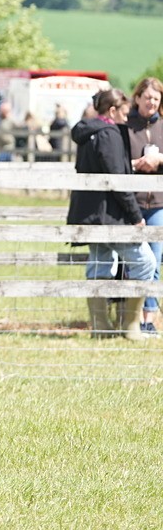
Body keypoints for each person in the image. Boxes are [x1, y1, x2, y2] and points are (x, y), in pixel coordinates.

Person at [66, 88, 156, 341]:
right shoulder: (109, 134)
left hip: (92, 212)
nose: (127, 119)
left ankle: (102, 326)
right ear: (113, 110)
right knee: (145, 262)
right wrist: (134, 213)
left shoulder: (88, 133)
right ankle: (129, 326)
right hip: (111, 214)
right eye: (125, 114)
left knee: (100, 264)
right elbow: (118, 179)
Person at [125, 77, 163, 334]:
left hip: (159, 203)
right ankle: (129, 317)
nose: (151, 102)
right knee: (136, 260)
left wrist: (159, 159)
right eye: (147, 97)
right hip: (132, 202)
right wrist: (137, 163)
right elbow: (115, 159)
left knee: (156, 259)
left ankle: (149, 319)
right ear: (137, 97)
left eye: (156, 98)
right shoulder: (125, 126)